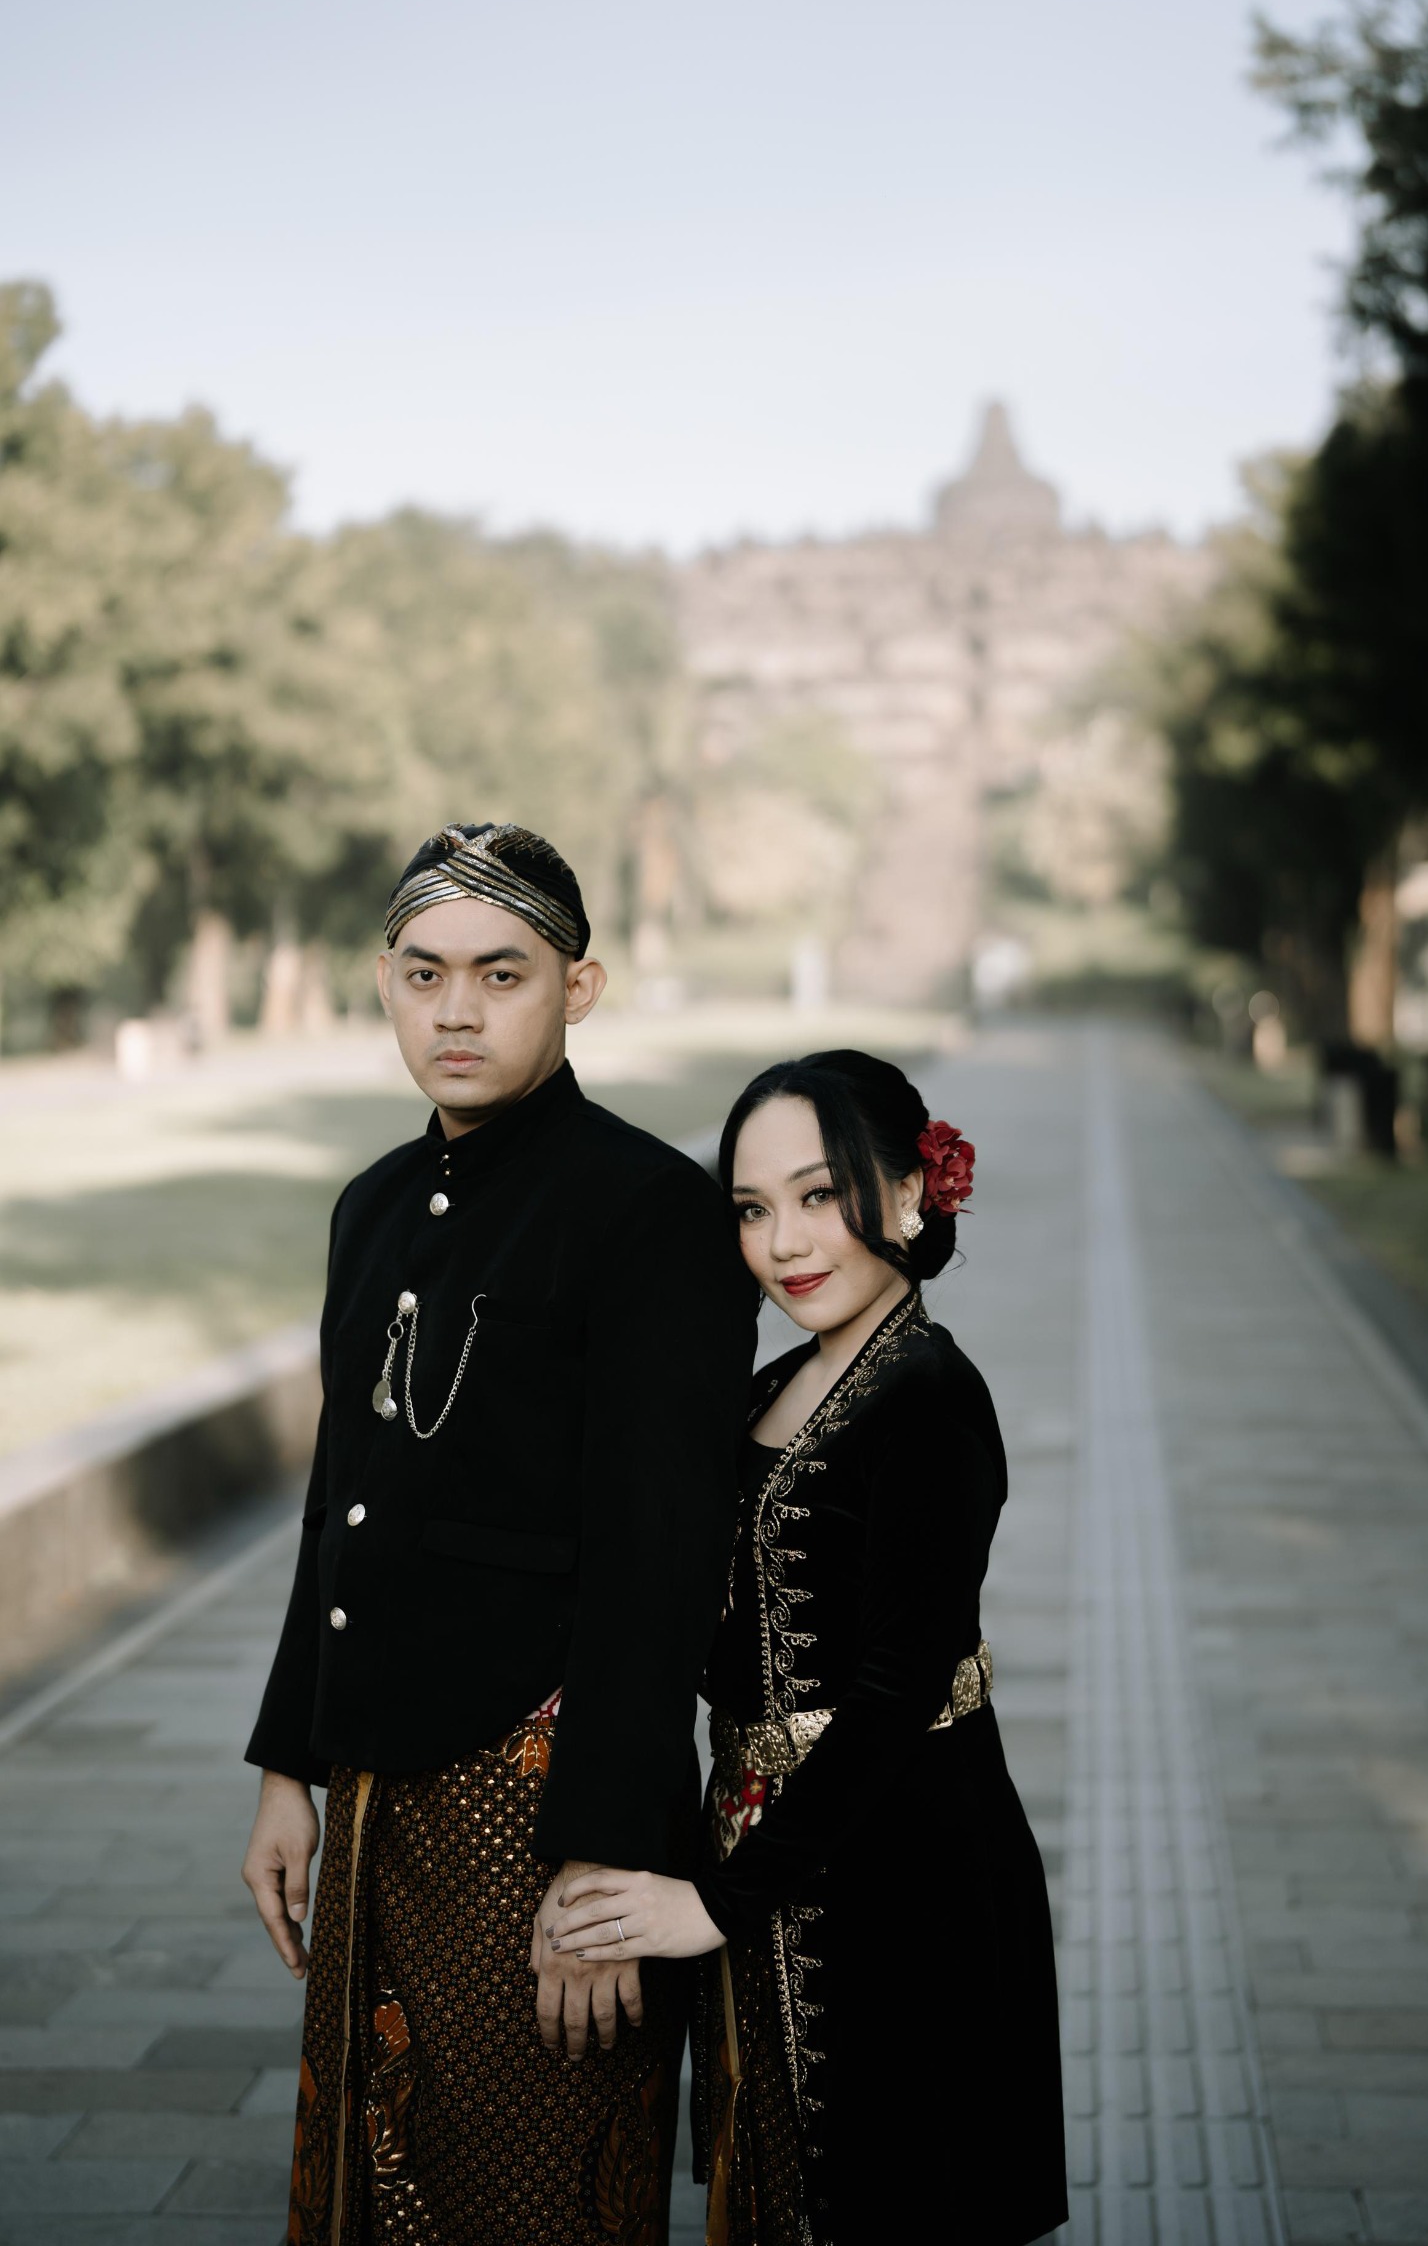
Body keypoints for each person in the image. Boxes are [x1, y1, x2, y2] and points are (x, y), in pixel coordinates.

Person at [240, 822, 755, 2246]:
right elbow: (339, 1500)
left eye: (500, 973)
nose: (455, 1011)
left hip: (541, 1811)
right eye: (424, 974)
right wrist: (287, 1765)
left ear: (577, 989)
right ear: (384, 983)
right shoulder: (372, 1208)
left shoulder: (649, 1212)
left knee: (532, 2193)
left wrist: (602, 1856)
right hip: (373, 1797)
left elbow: (660, 1559)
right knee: (374, 2185)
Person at [553, 1050, 1068, 2246]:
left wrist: (715, 1903)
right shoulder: (782, 1377)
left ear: (909, 1191)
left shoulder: (927, 1397)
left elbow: (892, 1691)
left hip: (906, 1879)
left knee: (890, 2201)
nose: (783, 1241)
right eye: (750, 1208)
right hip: (775, 1862)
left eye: (818, 1194)